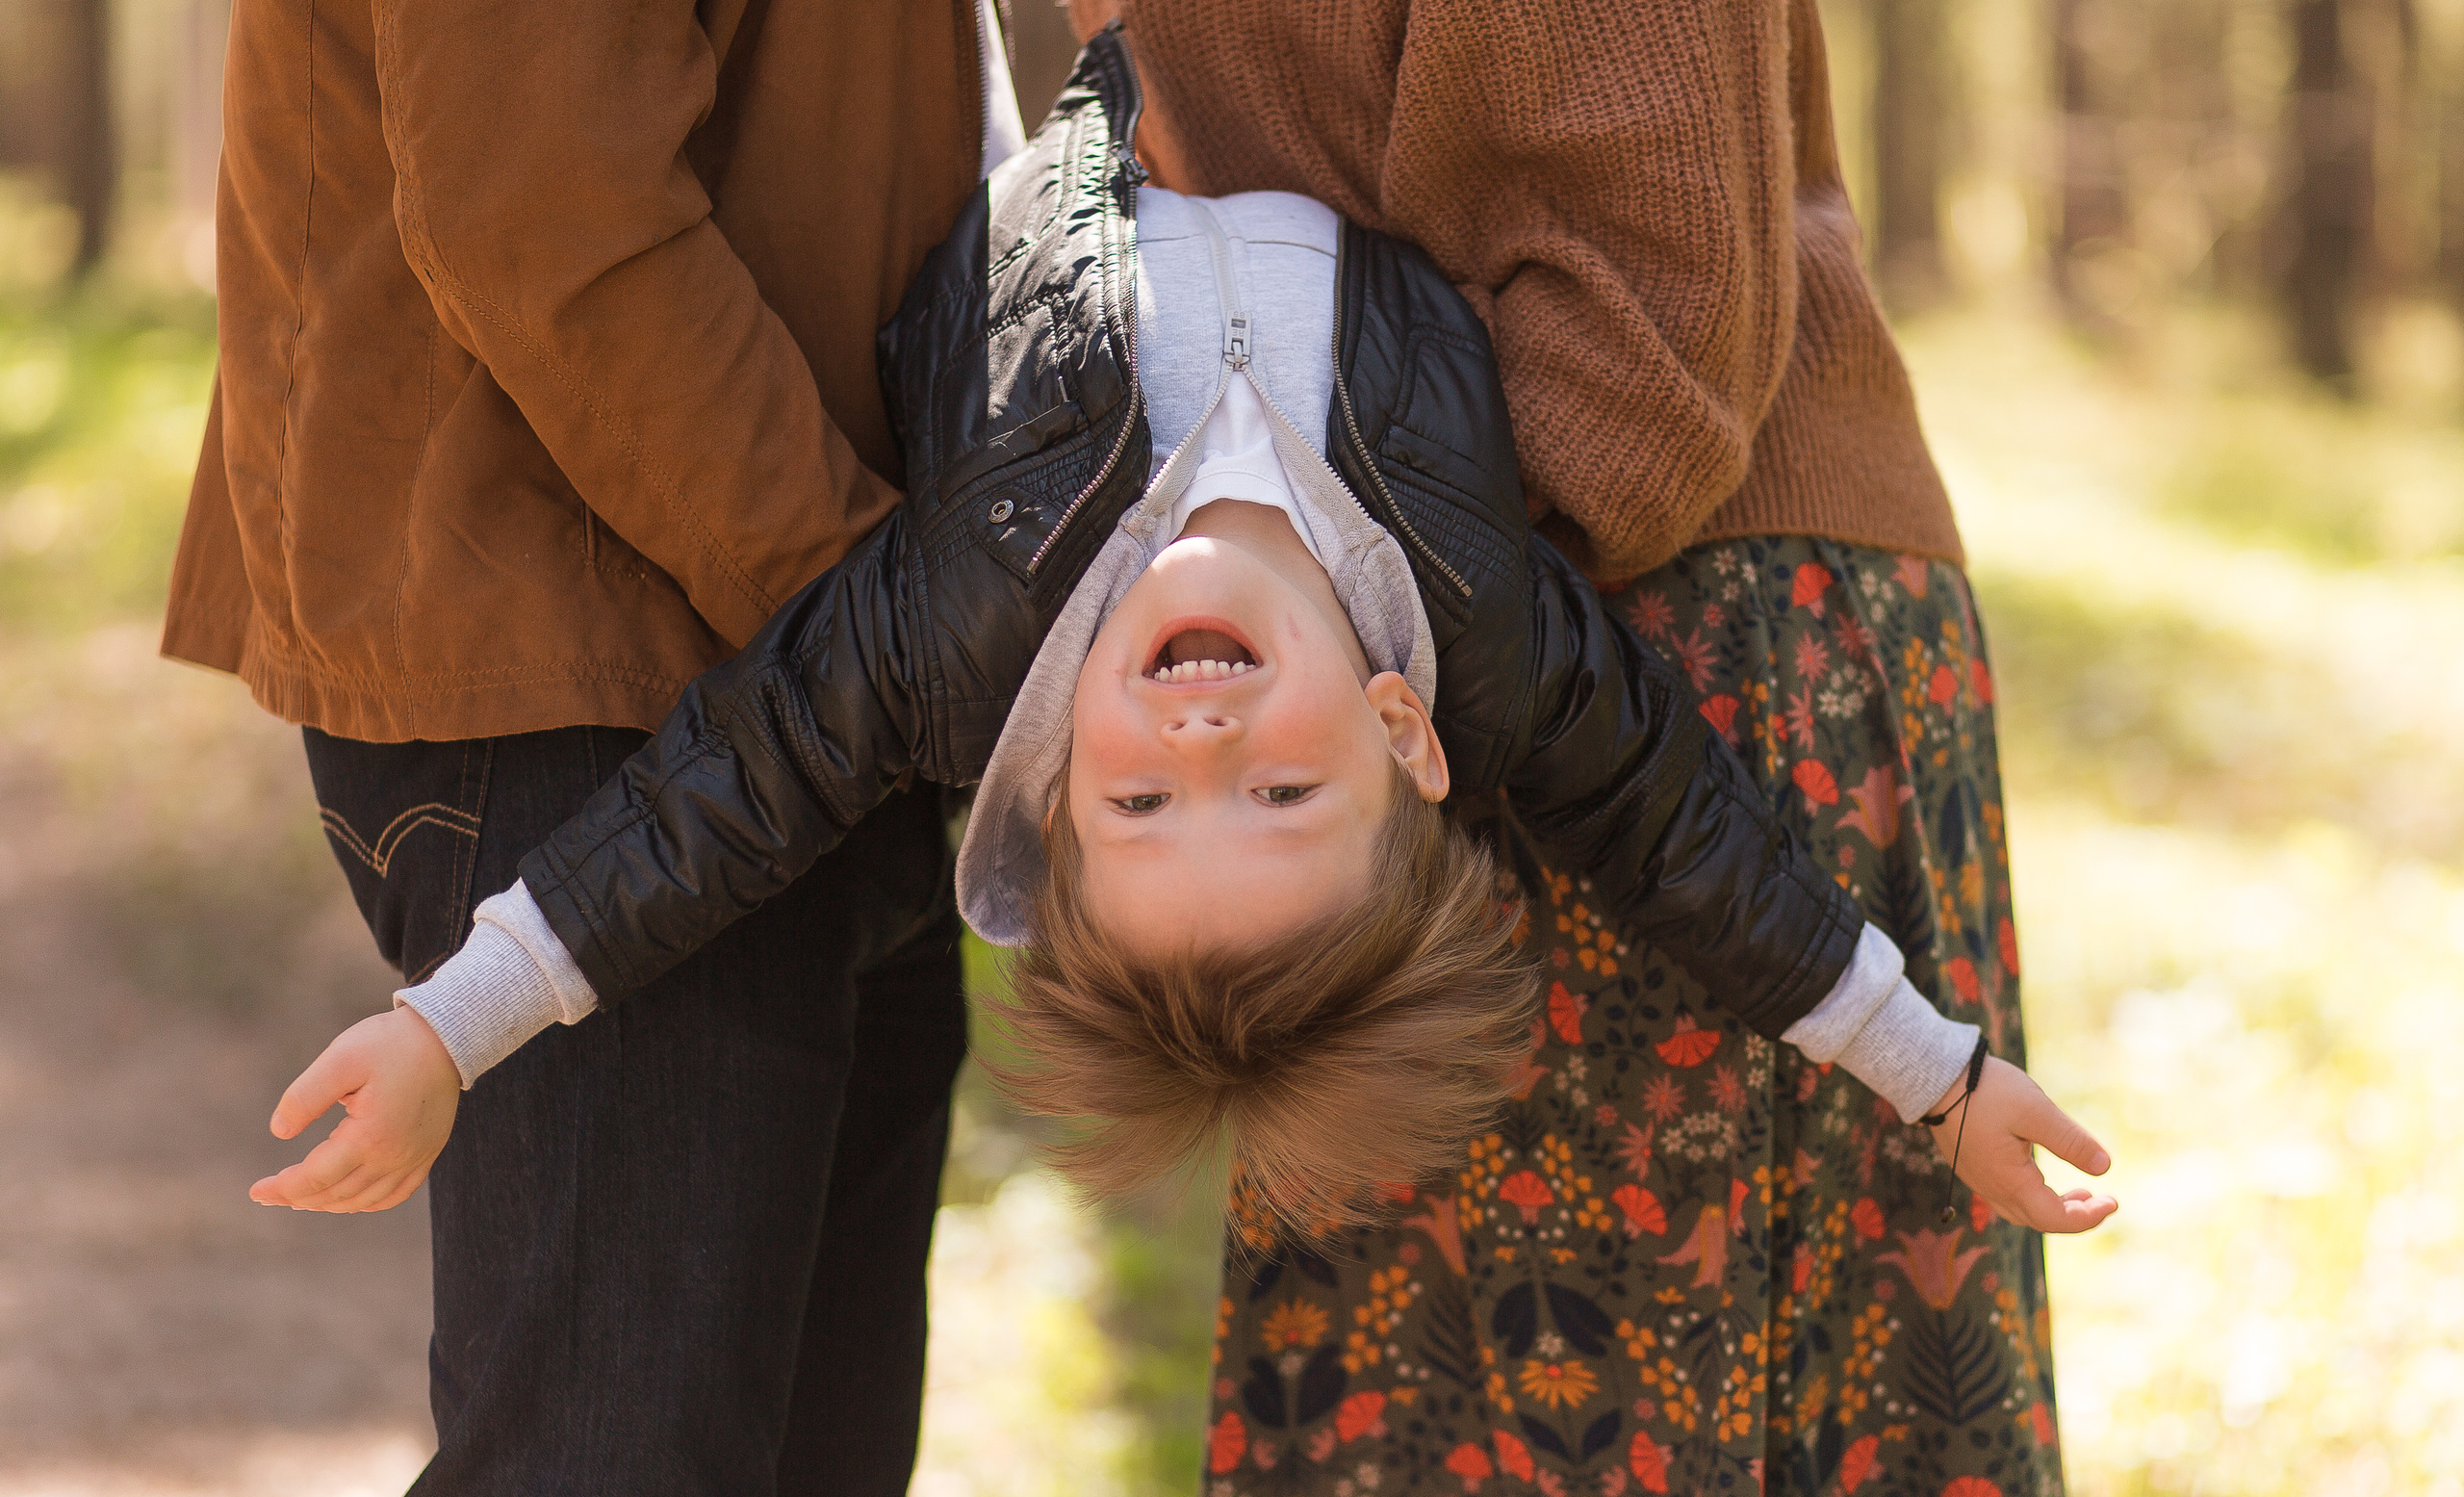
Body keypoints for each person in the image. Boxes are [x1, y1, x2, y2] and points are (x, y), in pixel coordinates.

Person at [254, 38, 2115, 1252]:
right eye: (1284, 790)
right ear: (1407, 732)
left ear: (1060, 778)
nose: (1206, 739)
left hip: (1052, 127)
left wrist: (450, 1028)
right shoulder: (1481, 614)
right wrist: (1935, 1077)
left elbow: (707, 813)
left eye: (1144, 803)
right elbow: (1691, 845)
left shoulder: (959, 631)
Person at [1092, 1, 2099, 1497]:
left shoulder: (1370, 686)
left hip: (1658, 626)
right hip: (1367, 657)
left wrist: (1309, 631)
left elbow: (1642, 358)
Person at [161, 0, 1024, 1497]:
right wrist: (876, 625)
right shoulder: (837, 624)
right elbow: (547, 206)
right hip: (604, 646)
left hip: (820, 652)